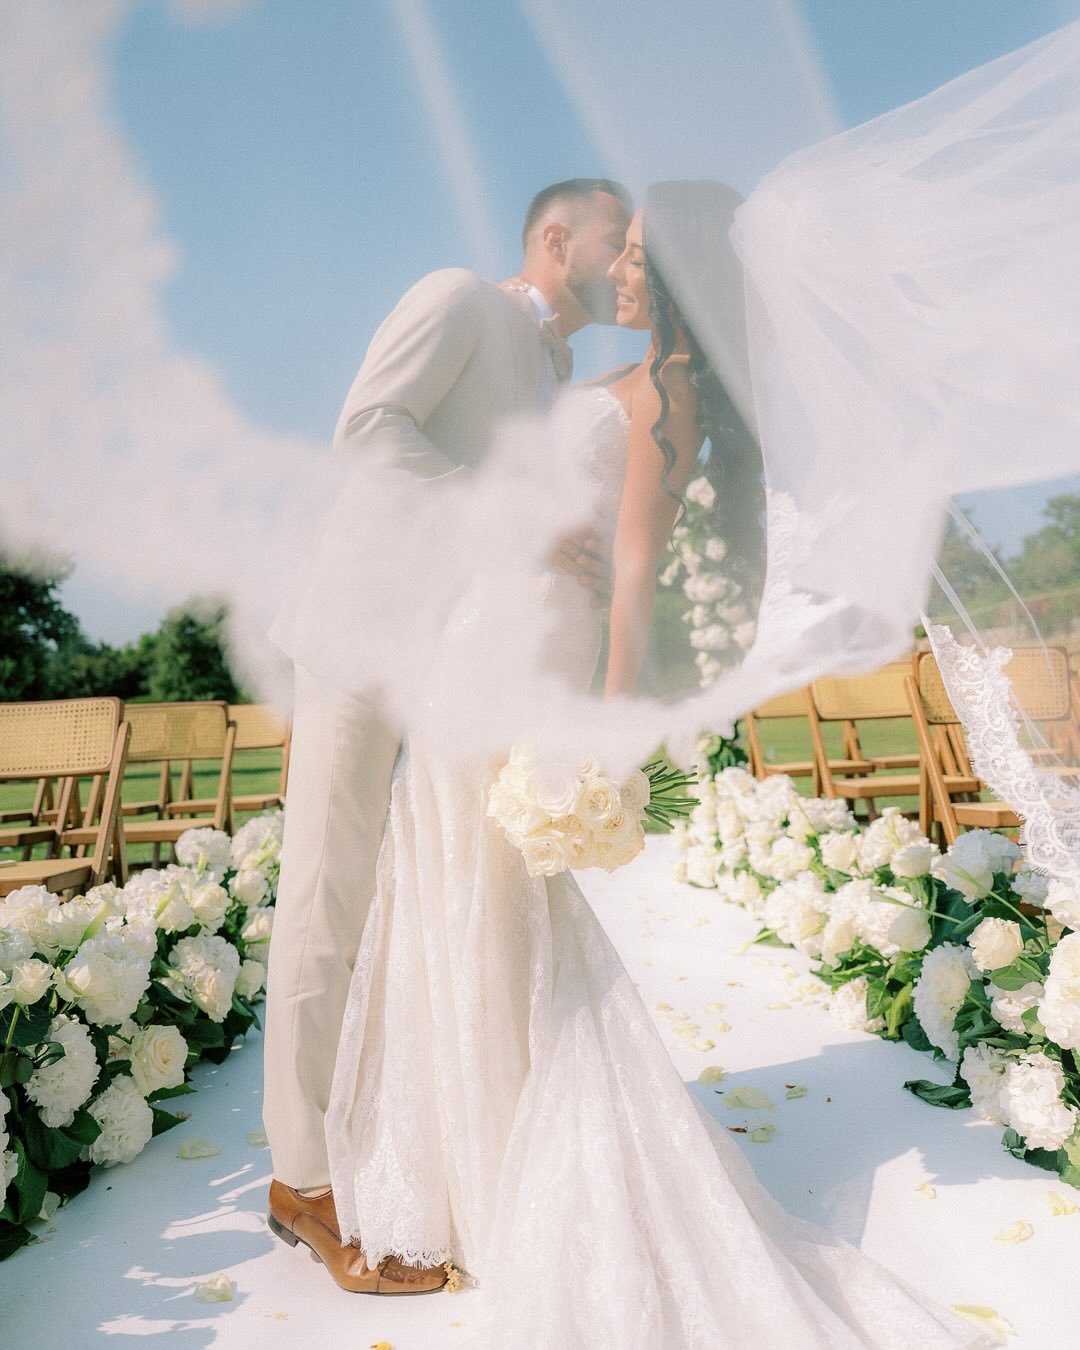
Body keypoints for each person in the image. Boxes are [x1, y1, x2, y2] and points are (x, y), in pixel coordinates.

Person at [320, 181, 981, 1347]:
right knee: (450, 881)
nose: (618, 270)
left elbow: (631, 573)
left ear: (676, 272)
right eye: (616, 250)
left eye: (634, 255)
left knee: (484, 887)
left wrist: (602, 724)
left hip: (527, 647)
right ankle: (469, 1161)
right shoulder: (625, 378)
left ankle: (504, 1161)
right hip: (482, 630)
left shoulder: (671, 395)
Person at [262, 176, 632, 1294]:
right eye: (614, 241)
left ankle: (405, 1148)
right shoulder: (459, 296)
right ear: (556, 237)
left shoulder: (563, 375)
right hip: (363, 631)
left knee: (429, 905)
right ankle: (303, 1182)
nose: (628, 263)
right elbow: (370, 431)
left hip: (459, 664)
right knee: (326, 897)